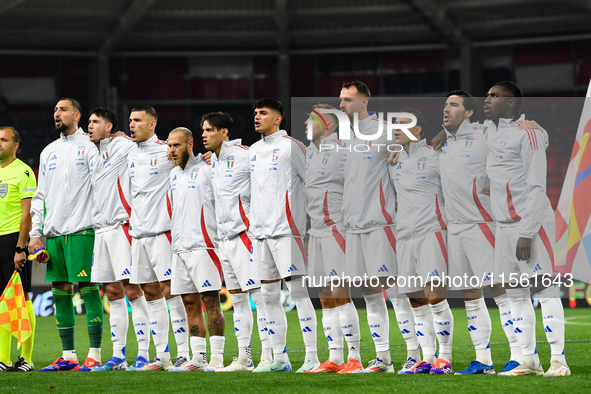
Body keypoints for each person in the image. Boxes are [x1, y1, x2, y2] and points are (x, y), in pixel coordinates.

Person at [483, 81, 569, 377]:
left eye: (494, 96)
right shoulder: (489, 129)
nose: (487, 99)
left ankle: (559, 361)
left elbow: (536, 186)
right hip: (504, 226)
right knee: (516, 294)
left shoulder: (529, 133)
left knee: (545, 290)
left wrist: (528, 231)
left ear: (510, 104)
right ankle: (529, 361)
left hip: (529, 223)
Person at [437, 91, 522, 375]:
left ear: (470, 112)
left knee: (500, 289)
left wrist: (529, 125)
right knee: (470, 294)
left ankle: (520, 355)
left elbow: (513, 137)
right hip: (455, 228)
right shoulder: (444, 144)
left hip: (481, 224)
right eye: (445, 104)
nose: (446, 109)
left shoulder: (486, 136)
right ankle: (483, 360)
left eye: (453, 105)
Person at [338, 81, 418, 373]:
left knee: (397, 292)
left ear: (364, 101)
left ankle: (413, 354)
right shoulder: (343, 137)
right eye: (340, 100)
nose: (342, 105)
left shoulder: (387, 132)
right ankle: (383, 358)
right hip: (353, 226)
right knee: (370, 294)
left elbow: (421, 150)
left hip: (381, 223)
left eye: (347, 99)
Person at [29, 98, 104, 372]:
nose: (56, 114)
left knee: (88, 289)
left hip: (84, 230)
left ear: (77, 114)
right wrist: (36, 234)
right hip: (55, 234)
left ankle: (94, 354)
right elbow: (40, 196)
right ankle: (69, 356)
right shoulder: (49, 151)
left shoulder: (92, 147)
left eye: (62, 110)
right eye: (54, 110)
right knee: (60, 291)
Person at [249, 98, 316, 373]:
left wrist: (309, 223)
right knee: (267, 295)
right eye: (255, 113)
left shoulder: (292, 146)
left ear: (278, 118)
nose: (257, 117)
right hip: (261, 234)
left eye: (263, 113)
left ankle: (312, 357)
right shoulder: (252, 150)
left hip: (288, 231)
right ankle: (280, 359)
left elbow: (313, 182)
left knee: (298, 293)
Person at [84, 107, 151, 372]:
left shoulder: (124, 145)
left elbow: (153, 145)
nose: (90, 126)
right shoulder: (93, 154)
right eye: (89, 122)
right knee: (112, 293)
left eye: (96, 122)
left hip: (122, 226)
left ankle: (144, 353)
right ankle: (119, 356)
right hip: (101, 230)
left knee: (132, 290)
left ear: (110, 127)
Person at [389, 109, 454, 375]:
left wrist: (446, 133)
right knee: (415, 301)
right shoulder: (392, 161)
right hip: (404, 236)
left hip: (432, 232)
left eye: (403, 124)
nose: (396, 128)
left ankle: (445, 359)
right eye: (395, 124)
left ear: (417, 131)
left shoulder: (437, 156)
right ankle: (426, 358)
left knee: (435, 298)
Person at [204, 112, 271, 372]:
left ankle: (269, 355)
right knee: (239, 301)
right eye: (203, 130)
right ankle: (245, 357)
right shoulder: (213, 161)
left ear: (224, 132)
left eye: (209, 130)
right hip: (224, 240)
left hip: (245, 237)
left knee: (260, 297)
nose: (204, 135)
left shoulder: (245, 155)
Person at [126, 105, 189, 371]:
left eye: (137, 120)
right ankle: (161, 356)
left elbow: (190, 160)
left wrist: (209, 157)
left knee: (170, 292)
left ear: (151, 125)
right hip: (138, 234)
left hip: (163, 232)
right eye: (130, 120)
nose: (132, 124)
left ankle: (185, 354)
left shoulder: (166, 150)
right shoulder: (127, 152)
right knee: (150, 293)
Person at [302, 104, 362, 374]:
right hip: (315, 232)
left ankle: (355, 357)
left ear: (328, 124)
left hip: (336, 228)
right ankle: (335, 357)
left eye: (312, 119)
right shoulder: (310, 153)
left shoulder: (341, 150)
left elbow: (358, 183)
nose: (306, 122)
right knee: (325, 296)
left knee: (340, 294)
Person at [166, 127, 226, 372]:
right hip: (180, 248)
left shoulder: (207, 168)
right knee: (189, 302)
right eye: (169, 146)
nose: (171, 150)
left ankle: (218, 358)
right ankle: (198, 358)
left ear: (190, 145)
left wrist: (216, 158)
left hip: (204, 245)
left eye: (176, 145)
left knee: (210, 301)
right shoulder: (173, 175)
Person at [0, 126, 36, 372]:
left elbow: (27, 215)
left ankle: (27, 358)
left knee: (21, 301)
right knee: (1, 301)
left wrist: (20, 247)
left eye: (3, 140)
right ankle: (3, 359)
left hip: (13, 239)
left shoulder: (23, 172)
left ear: (15, 145)